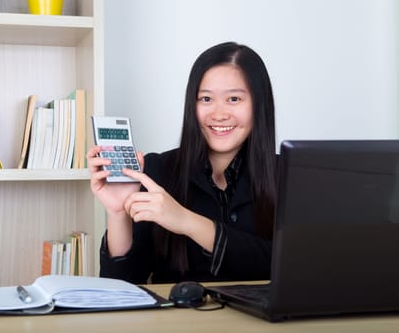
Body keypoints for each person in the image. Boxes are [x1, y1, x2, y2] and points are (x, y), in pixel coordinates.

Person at [87, 41, 277, 284]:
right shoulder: (157, 171)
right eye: (206, 99)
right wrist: (117, 214)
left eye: (234, 99)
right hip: (176, 320)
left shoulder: (289, 175)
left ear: (258, 105)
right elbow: (121, 286)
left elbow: (288, 266)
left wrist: (185, 220)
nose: (219, 114)